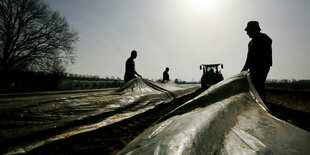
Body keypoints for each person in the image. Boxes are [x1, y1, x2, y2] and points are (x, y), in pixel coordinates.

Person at [241, 21, 272, 102]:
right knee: (254, 89)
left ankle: (263, 107)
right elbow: (249, 57)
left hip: (261, 68)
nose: (247, 33)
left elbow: (265, 53)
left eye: (248, 30)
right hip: (253, 68)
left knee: (258, 88)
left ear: (254, 30)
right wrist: (245, 69)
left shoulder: (263, 38)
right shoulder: (250, 43)